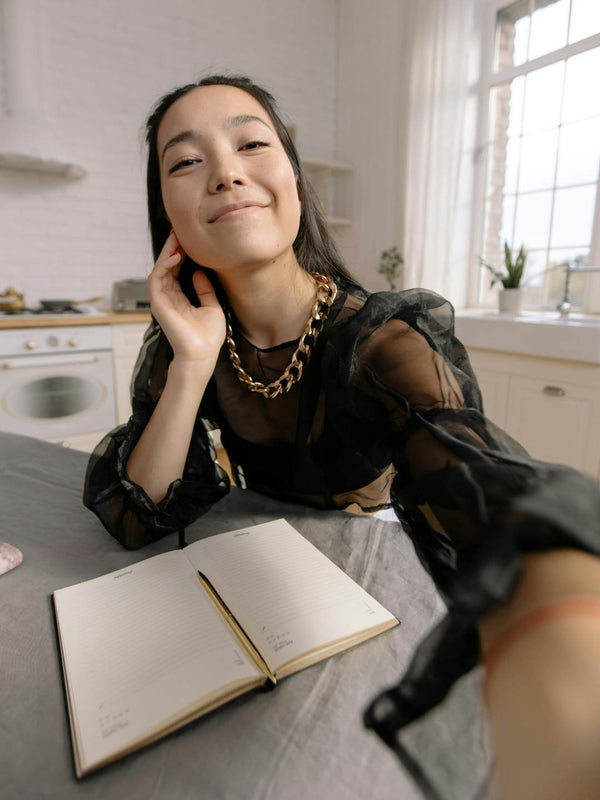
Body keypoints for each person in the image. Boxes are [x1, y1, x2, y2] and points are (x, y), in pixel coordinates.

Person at [84, 74, 600, 799]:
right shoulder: (186, 341)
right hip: (248, 592)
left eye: (250, 142)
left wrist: (568, 636)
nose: (226, 170)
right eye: (185, 161)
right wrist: (194, 362)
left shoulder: (387, 338)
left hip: (374, 591)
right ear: (165, 211)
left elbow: (487, 489)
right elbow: (136, 512)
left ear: (292, 173)